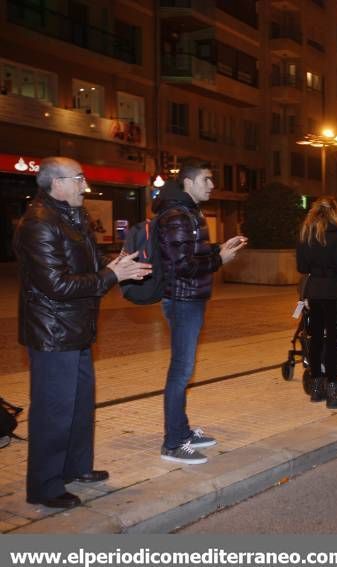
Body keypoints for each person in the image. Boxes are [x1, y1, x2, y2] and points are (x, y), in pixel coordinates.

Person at [15, 157, 151, 508]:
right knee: (54, 410)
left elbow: (86, 270)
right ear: (55, 183)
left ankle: (75, 468)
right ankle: (44, 486)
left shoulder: (72, 218)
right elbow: (56, 284)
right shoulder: (39, 224)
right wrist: (111, 276)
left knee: (79, 405)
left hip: (76, 328)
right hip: (52, 332)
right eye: (79, 179)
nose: (84, 185)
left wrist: (115, 268)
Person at [156, 160, 248, 465]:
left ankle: (181, 431)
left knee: (184, 370)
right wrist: (219, 259)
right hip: (182, 300)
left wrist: (220, 247)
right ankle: (172, 443)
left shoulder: (189, 213)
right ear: (189, 183)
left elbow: (191, 254)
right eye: (207, 180)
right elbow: (183, 266)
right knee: (180, 372)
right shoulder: (177, 216)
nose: (211, 185)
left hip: (190, 299)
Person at [296, 196, 337, 409]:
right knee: (332, 341)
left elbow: (302, 267)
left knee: (315, 339)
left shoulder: (306, 234)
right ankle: (333, 391)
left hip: (314, 291)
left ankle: (316, 389)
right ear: (334, 212)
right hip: (332, 290)